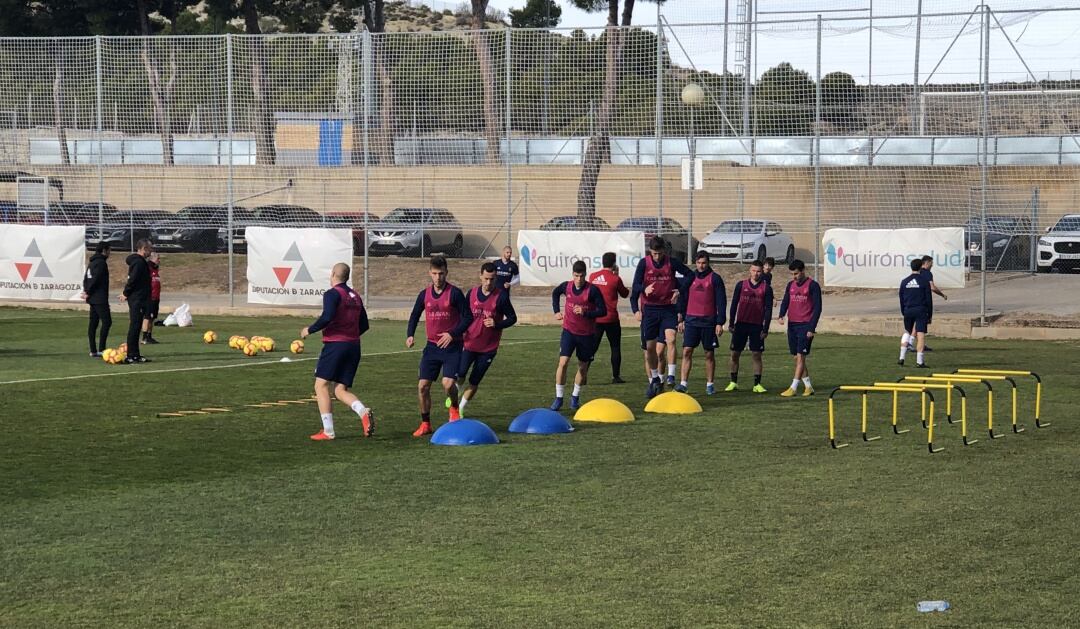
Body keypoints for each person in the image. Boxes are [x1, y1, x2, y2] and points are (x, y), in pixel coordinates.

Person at [301, 263, 374, 441]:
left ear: (333, 274)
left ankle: (328, 431)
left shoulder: (332, 294)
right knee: (340, 389)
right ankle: (362, 411)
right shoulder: (355, 296)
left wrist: (309, 330)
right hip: (354, 346)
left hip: (336, 346)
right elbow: (364, 324)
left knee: (321, 385)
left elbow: (327, 316)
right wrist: (350, 335)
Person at [406, 256, 473, 437]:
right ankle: (425, 423)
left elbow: (468, 318)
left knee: (448, 383)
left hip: (452, 347)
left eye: (441, 273)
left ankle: (453, 406)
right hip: (432, 347)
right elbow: (414, 315)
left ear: (446, 273)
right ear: (430, 273)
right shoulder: (424, 294)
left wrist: (452, 334)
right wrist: (410, 334)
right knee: (422, 386)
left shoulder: (455, 293)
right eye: (434, 274)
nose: (438, 277)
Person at [631, 236, 692, 398]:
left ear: (664, 251)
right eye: (654, 254)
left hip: (667, 309)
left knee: (671, 339)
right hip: (650, 310)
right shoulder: (644, 263)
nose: (657, 257)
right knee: (650, 349)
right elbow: (635, 285)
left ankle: (671, 375)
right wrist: (644, 289)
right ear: (650, 252)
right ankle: (655, 378)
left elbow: (690, 275)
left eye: (659, 253)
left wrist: (680, 290)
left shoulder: (671, 262)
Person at [457, 262, 517, 413]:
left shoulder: (501, 297)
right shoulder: (471, 294)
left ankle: (460, 408)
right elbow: (463, 315)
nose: (489, 282)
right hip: (469, 343)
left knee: (474, 380)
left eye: (492, 279)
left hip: (488, 349)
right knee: (461, 373)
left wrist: (497, 324)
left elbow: (512, 318)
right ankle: (455, 392)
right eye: (486, 278)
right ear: (480, 277)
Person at [551, 260, 607, 410]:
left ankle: (575, 397)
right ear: (572, 275)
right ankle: (559, 398)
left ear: (585, 275)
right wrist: (556, 310)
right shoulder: (566, 286)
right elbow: (555, 293)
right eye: (576, 276)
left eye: (581, 276)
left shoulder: (593, 290)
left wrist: (586, 313)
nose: (579, 279)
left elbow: (603, 311)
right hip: (569, 331)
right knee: (563, 363)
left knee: (583, 367)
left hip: (587, 335)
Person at [676, 251, 726, 395]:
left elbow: (721, 302)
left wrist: (719, 322)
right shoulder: (690, 277)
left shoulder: (715, 279)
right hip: (691, 321)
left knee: (709, 354)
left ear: (708, 262)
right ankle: (683, 384)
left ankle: (710, 384)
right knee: (687, 351)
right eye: (698, 263)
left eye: (704, 263)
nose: (701, 266)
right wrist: (681, 319)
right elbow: (682, 297)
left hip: (709, 322)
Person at [726, 260, 774, 393]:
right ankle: (733, 382)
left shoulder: (766, 288)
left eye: (758, 271)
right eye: (753, 270)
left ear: (762, 272)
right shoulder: (741, 285)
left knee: (756, 355)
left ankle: (757, 384)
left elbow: (768, 309)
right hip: (741, 325)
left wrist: (765, 328)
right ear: (749, 270)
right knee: (735, 354)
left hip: (757, 326)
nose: (756, 274)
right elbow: (734, 304)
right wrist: (731, 323)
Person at [777, 259, 823, 397]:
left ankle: (793, 387)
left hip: (805, 325)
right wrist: (781, 314)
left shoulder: (813, 286)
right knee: (796, 358)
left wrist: (811, 327)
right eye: (792, 274)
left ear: (803, 271)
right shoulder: (790, 285)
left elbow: (818, 308)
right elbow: (786, 300)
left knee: (801, 357)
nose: (794, 277)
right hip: (792, 325)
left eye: (796, 273)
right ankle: (808, 387)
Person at [589, 252, 629, 384]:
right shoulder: (615, 279)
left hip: (596, 318)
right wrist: (616, 275)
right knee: (615, 347)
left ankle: (583, 374)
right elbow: (625, 293)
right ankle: (615, 376)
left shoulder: (593, 276)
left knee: (592, 347)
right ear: (613, 264)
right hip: (611, 318)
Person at [119, 239, 153, 364]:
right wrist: (125, 293)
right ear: (143, 249)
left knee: (137, 326)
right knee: (134, 327)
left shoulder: (141, 262)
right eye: (150, 249)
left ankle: (136, 355)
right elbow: (132, 280)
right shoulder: (138, 263)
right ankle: (131, 355)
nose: (151, 251)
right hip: (137, 299)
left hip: (140, 298)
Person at [899, 258, 932, 368]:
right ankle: (920, 361)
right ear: (920, 267)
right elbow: (928, 299)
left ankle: (901, 358)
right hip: (921, 310)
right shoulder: (923, 281)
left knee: (907, 332)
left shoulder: (904, 281)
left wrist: (904, 311)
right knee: (920, 334)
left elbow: (901, 298)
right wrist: (930, 314)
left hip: (908, 310)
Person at [82, 242, 112, 357]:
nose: (110, 253)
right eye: (109, 250)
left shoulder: (92, 262)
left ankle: (93, 350)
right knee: (107, 322)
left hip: (92, 298)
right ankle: (102, 349)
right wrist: (88, 291)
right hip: (99, 298)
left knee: (93, 323)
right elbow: (96, 279)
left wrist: (86, 291)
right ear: (104, 250)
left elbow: (86, 278)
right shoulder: (101, 263)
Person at [140, 252, 161, 345]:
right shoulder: (147, 269)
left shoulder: (156, 270)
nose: (159, 261)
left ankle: (149, 336)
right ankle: (144, 337)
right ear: (152, 259)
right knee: (147, 317)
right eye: (157, 258)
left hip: (156, 297)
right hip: (149, 298)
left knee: (152, 318)